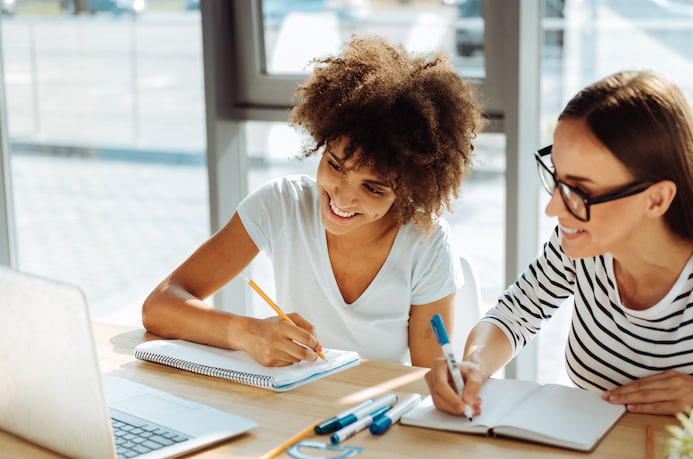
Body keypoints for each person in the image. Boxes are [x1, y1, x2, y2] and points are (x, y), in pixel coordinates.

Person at [425, 70, 693, 420]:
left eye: (580, 191)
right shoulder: (588, 250)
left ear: (655, 200)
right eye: (556, 178)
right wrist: (474, 364)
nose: (553, 207)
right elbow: (514, 316)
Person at [141, 35, 484, 368]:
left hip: (373, 416)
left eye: (374, 188)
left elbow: (429, 380)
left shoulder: (426, 242)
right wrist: (247, 333)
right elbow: (159, 306)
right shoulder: (280, 205)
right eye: (335, 165)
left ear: (408, 190)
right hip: (293, 405)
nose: (343, 197)